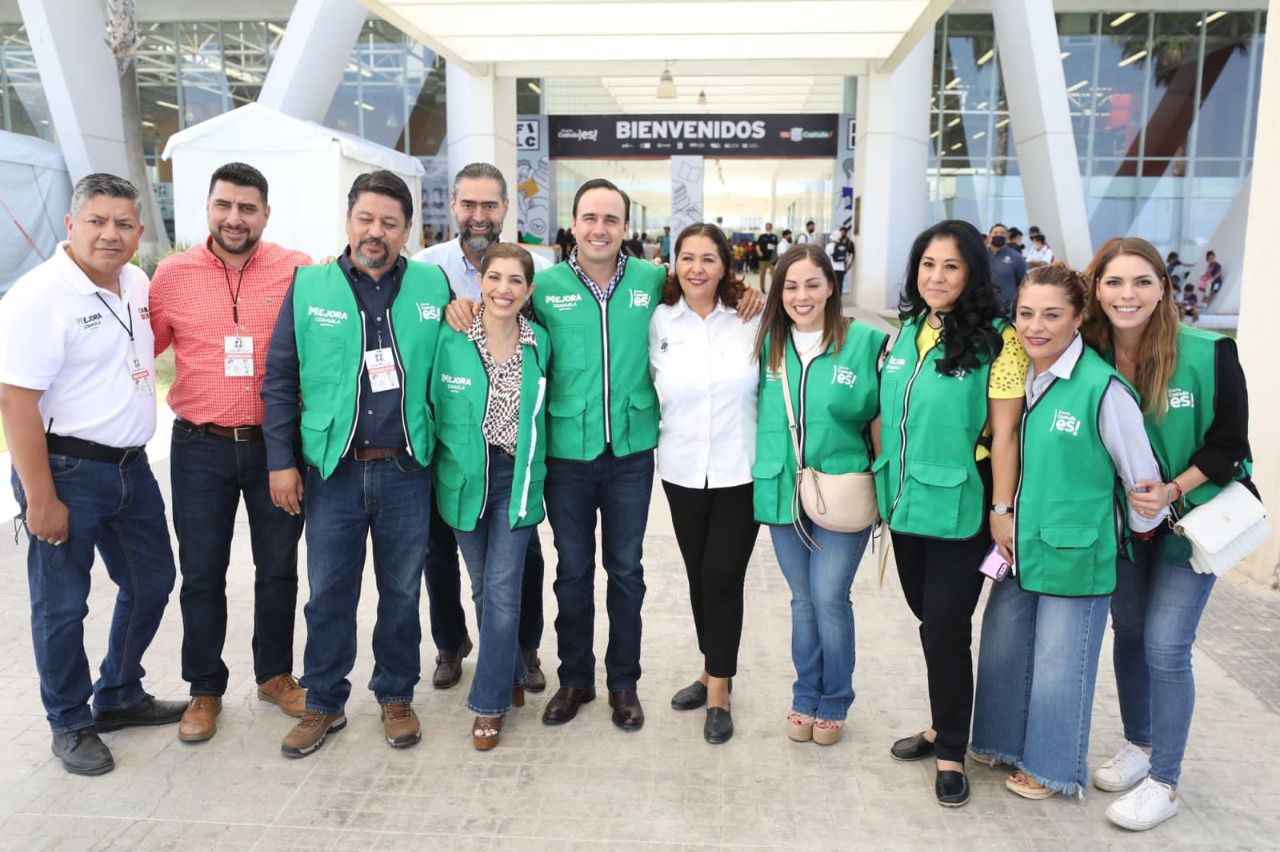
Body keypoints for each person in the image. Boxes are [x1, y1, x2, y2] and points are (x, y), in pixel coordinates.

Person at [445, 178, 763, 732]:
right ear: (574, 224)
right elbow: (504, 312)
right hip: (566, 454)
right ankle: (575, 679)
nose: (600, 229)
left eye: (611, 219)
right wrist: (463, 308)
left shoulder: (651, 281)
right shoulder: (544, 286)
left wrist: (745, 293)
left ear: (624, 228)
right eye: (590, 218)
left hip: (632, 454)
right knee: (572, 573)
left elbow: (703, 283)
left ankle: (623, 683)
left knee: (626, 572)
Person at [0, 173, 185, 776]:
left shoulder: (135, 282)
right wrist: (40, 497)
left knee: (153, 582)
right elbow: (14, 403)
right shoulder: (38, 298)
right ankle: (70, 721)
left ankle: (119, 693)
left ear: (138, 232)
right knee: (62, 605)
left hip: (133, 467)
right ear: (71, 225)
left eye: (125, 223)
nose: (111, 234)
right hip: (66, 470)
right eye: (98, 221)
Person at [262, 171, 451, 758]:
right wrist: (280, 462)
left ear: (407, 230)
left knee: (400, 592)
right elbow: (278, 380)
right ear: (348, 222)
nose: (377, 232)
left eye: (390, 223)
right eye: (366, 219)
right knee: (329, 595)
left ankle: (396, 694)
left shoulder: (432, 285)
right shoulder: (310, 285)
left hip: (406, 470)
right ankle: (323, 702)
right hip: (332, 471)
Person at [970, 263, 1165, 801]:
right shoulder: (1021, 376)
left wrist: (1127, 527)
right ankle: (1001, 741)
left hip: (1078, 553)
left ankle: (1052, 767)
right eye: (1026, 313)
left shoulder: (1102, 389)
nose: (1036, 326)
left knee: (1061, 660)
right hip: (1017, 543)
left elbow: (1142, 482)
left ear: (1079, 318)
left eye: (1052, 315)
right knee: (1003, 641)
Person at [1082, 238, 1255, 831]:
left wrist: (1172, 489)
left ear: (1162, 287)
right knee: (1127, 631)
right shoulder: (1088, 354)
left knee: (1164, 645)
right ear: (1095, 288)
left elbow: (1231, 445)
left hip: (1189, 521)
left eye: (1140, 282)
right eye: (1113, 283)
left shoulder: (1209, 353)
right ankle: (1141, 744)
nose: (1126, 295)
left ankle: (1166, 781)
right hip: (1126, 528)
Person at [149, 162, 310, 743]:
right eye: (224, 206)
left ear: (266, 213)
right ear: (208, 208)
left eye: (247, 208)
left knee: (278, 570)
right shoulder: (170, 275)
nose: (234, 218)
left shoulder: (299, 271)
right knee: (201, 573)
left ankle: (274, 675)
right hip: (199, 446)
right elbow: (141, 349)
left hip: (276, 446)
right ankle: (204, 689)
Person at [878, 219, 1025, 808]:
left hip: (964, 507)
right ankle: (944, 721)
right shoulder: (905, 331)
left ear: (974, 274)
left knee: (945, 627)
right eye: (928, 265)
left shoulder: (999, 340)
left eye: (951, 266)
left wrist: (1001, 508)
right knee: (926, 617)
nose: (936, 277)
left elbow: (1008, 435)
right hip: (904, 504)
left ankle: (950, 752)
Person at [412, 162, 550, 694]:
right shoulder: (426, 269)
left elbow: (546, 350)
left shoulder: (534, 270)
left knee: (519, 565)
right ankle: (451, 645)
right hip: (452, 444)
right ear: (453, 206)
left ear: (505, 209)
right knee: (441, 554)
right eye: (468, 204)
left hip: (514, 457)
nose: (478, 215)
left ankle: (523, 652)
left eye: (489, 205)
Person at [753, 245, 888, 748]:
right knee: (803, 600)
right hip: (782, 490)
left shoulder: (867, 343)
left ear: (832, 286)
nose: (801, 296)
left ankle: (835, 701)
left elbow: (881, 421)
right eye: (790, 286)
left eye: (812, 284)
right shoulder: (767, 341)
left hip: (843, 492)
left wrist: (886, 490)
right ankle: (804, 695)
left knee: (830, 596)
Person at [431, 244, 550, 750]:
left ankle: (489, 703)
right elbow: (430, 404)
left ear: (529, 290)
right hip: (463, 480)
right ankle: (516, 670)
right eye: (495, 277)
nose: (504, 289)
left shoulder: (540, 341)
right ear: (479, 282)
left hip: (516, 479)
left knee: (502, 589)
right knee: (483, 588)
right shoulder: (450, 335)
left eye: (516, 281)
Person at [650, 223, 761, 745]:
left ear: (726, 266)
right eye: (688, 258)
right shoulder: (659, 321)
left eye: (709, 259)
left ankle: (720, 689)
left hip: (741, 470)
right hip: (682, 469)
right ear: (674, 263)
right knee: (698, 575)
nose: (697, 268)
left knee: (722, 574)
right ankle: (709, 667)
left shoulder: (751, 320)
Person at [986, 223, 1026, 309]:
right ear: (989, 237)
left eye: (1002, 233)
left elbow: (1023, 283)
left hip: (1007, 309)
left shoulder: (1017, 258)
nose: (999, 235)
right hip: (984, 307)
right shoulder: (981, 255)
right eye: (996, 233)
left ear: (1007, 238)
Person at [825, 226, 854, 293]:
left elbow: (826, 258)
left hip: (832, 269)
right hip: (841, 269)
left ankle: (832, 302)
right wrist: (847, 266)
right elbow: (847, 258)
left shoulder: (829, 246)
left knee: (831, 287)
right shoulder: (843, 246)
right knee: (839, 286)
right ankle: (839, 301)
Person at [756, 223, 779, 289]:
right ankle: (762, 288)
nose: (767, 228)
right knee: (762, 274)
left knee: (774, 275)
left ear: (771, 228)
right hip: (763, 259)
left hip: (772, 259)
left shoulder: (774, 236)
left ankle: (774, 288)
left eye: (769, 227)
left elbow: (776, 246)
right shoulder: (762, 236)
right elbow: (757, 245)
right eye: (766, 227)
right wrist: (759, 251)